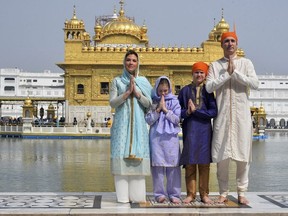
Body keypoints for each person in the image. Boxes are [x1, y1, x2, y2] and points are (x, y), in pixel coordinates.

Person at [205, 31, 259, 205]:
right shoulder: (215, 65)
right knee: (222, 157)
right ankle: (223, 192)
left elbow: (255, 84)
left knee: (243, 156)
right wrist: (226, 74)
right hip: (223, 117)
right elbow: (208, 87)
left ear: (237, 43)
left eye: (232, 41)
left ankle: (241, 192)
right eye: (226, 41)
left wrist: (235, 73)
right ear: (221, 45)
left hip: (241, 116)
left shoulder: (246, 63)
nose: (229, 44)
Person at [109, 50, 152, 203]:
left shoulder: (143, 82)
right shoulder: (117, 81)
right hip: (122, 125)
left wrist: (138, 94)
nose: (131, 63)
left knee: (138, 161)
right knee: (121, 158)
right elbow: (112, 103)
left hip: (139, 126)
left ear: (137, 63)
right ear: (124, 62)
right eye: (128, 60)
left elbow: (149, 105)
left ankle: (137, 196)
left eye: (134, 60)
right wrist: (127, 93)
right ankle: (122, 198)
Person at [178, 62, 217, 204]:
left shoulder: (208, 91)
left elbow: (213, 112)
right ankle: (190, 194)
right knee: (189, 163)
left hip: (204, 131)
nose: (199, 75)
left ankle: (204, 194)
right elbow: (179, 112)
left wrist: (197, 111)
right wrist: (188, 112)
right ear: (192, 74)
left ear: (206, 75)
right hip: (190, 130)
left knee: (204, 163)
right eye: (196, 72)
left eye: (202, 72)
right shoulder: (184, 91)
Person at [145, 76, 182, 204]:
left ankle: (174, 193)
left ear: (169, 90)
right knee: (157, 167)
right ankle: (159, 193)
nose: (163, 94)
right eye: (160, 91)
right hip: (156, 138)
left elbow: (177, 120)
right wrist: (158, 109)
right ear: (156, 90)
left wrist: (165, 110)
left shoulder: (175, 102)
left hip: (171, 138)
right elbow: (149, 120)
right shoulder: (153, 102)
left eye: (165, 91)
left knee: (173, 166)